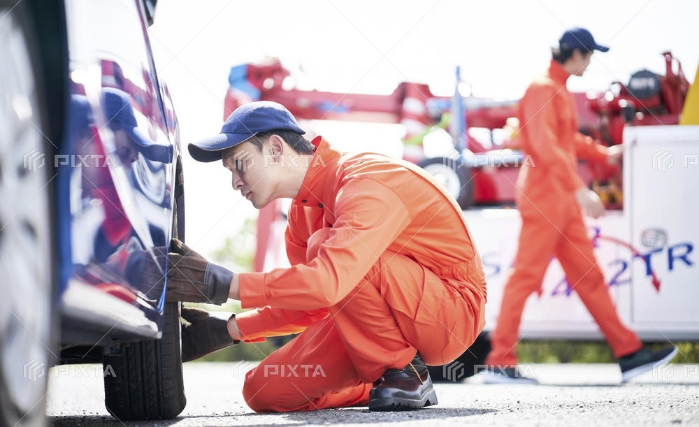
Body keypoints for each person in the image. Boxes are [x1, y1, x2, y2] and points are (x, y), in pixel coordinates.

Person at [162, 101, 487, 412]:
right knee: (264, 390)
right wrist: (229, 329)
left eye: (240, 164)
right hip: (381, 316)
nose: (234, 182)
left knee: (327, 249)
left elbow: (330, 280)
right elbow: (313, 301)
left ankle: (405, 376)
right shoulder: (301, 217)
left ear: (276, 149)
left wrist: (222, 284)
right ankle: (379, 379)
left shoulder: (364, 181)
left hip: (450, 313)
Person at [480, 27, 677, 384]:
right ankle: (500, 362)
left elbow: (565, 140)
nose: (590, 63)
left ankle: (629, 354)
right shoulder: (542, 88)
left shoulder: (556, 89)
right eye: (590, 56)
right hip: (545, 198)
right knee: (525, 277)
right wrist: (580, 190)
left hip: (561, 200)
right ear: (576, 55)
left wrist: (603, 153)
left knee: (590, 279)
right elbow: (543, 146)